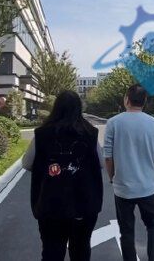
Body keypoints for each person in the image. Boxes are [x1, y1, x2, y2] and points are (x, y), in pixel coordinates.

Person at [22, 90, 103, 261]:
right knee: (81, 250)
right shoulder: (90, 133)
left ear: (56, 108)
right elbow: (101, 162)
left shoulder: (42, 134)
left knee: (52, 251)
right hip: (84, 204)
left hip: (51, 205)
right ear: (79, 108)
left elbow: (27, 163)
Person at [104, 84, 154, 261]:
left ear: (126, 99)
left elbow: (108, 157)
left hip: (123, 189)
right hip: (148, 188)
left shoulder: (113, 123)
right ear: (145, 101)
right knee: (153, 226)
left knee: (126, 231)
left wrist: (112, 178)